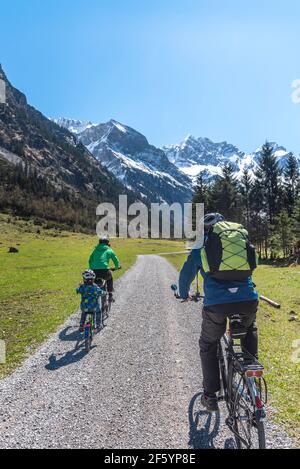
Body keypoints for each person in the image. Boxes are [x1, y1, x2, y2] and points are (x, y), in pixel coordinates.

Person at [179, 213, 259, 413]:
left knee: (208, 344)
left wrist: (183, 293)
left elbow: (186, 274)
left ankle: (210, 395)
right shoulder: (239, 241)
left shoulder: (200, 248)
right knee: (249, 328)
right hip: (248, 300)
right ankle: (251, 366)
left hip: (216, 305)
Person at [89, 236, 121, 301]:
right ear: (107, 243)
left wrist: (91, 268)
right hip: (105, 272)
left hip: (94, 272)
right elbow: (116, 260)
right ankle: (110, 294)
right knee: (110, 278)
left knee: (94, 283)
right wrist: (117, 267)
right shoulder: (109, 250)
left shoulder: (95, 250)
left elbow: (90, 260)